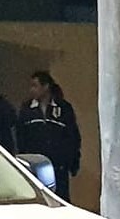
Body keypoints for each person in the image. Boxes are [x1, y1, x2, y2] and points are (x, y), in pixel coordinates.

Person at [16, 70, 81, 201]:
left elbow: (73, 136)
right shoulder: (27, 109)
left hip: (58, 166)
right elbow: (20, 136)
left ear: (45, 87)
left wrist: (73, 162)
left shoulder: (63, 108)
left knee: (60, 200)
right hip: (35, 167)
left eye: (35, 86)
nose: (31, 90)